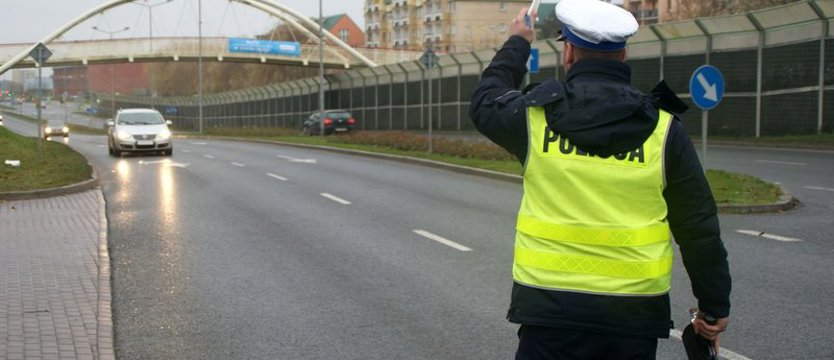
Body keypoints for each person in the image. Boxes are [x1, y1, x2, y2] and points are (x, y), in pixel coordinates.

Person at [468, 1, 731, 359]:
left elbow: (486, 99)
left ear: (569, 53)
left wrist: (518, 41)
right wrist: (712, 311)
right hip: (633, 322)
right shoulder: (664, 130)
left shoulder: (533, 120)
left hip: (549, 315)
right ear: (622, 54)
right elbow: (698, 227)